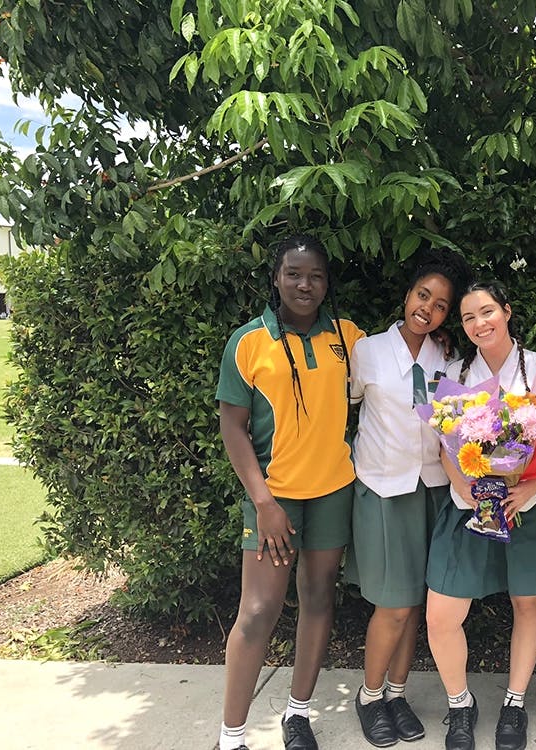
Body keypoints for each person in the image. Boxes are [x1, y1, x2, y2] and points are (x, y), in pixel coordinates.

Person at [215, 234, 365, 750]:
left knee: (320, 599)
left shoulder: (348, 337)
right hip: (274, 498)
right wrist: (263, 503)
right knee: (258, 611)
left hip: (333, 491)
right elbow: (232, 428)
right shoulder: (249, 341)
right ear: (276, 278)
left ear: (327, 283)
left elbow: (397, 369)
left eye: (316, 276)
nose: (306, 285)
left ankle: (297, 714)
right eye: (294, 274)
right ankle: (232, 734)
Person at [425, 280, 536, 750]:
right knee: (441, 613)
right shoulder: (454, 374)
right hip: (468, 505)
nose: (479, 323)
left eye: (487, 312)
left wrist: (526, 488)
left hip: (528, 502)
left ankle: (515, 701)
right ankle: (460, 704)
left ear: (506, 311)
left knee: (528, 603)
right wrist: (466, 485)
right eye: (468, 317)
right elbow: (444, 440)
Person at [345, 248, 472, 747]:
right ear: (408, 293)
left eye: (441, 305)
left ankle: (397, 694)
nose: (429, 309)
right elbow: (350, 408)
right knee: (393, 604)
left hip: (434, 492)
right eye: (424, 295)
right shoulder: (368, 352)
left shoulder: (450, 358)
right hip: (383, 489)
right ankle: (370, 695)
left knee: (417, 601)